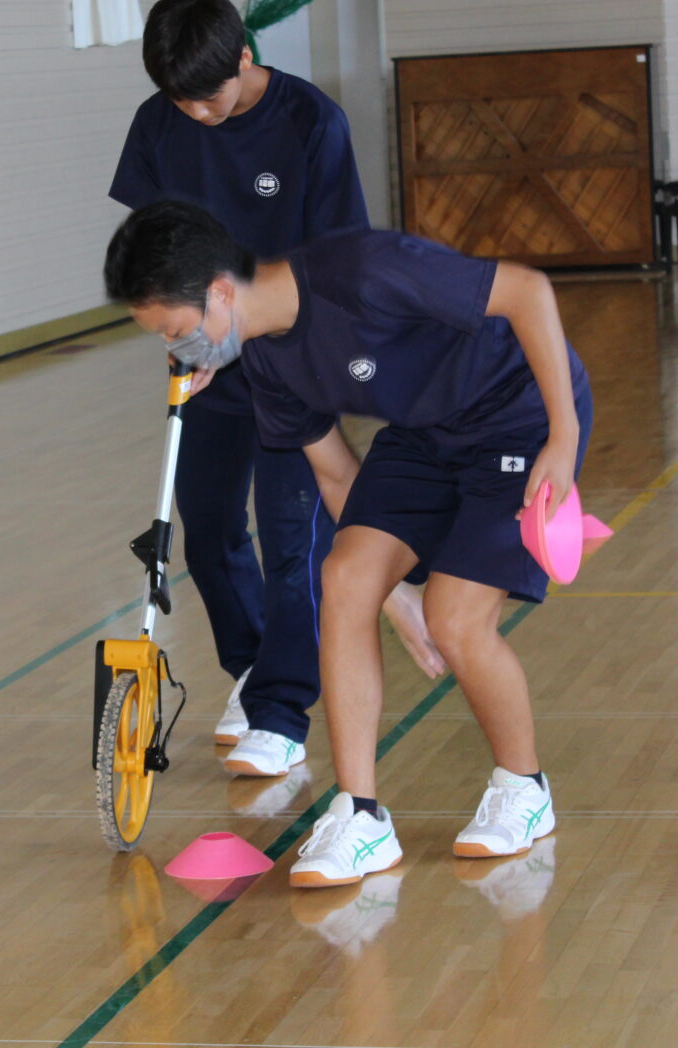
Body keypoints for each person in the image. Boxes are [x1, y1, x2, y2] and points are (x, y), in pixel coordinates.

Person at [103, 201, 591, 887]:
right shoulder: (267, 364)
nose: (177, 353)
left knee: (456, 616)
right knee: (345, 577)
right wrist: (392, 597)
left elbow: (526, 292)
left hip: (517, 417)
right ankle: (359, 814)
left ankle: (524, 789)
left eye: (176, 331)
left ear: (219, 293)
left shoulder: (365, 272)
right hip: (424, 437)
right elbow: (335, 472)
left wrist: (563, 438)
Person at [109, 0, 440, 780]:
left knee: (295, 541)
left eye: (208, 96)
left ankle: (283, 712)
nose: (193, 112)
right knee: (209, 525)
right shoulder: (161, 122)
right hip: (206, 358)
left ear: (246, 59)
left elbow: (338, 257)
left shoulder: (311, 123)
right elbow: (154, 238)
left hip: (290, 354)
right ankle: (256, 668)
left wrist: (279, 333)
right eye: (177, 98)